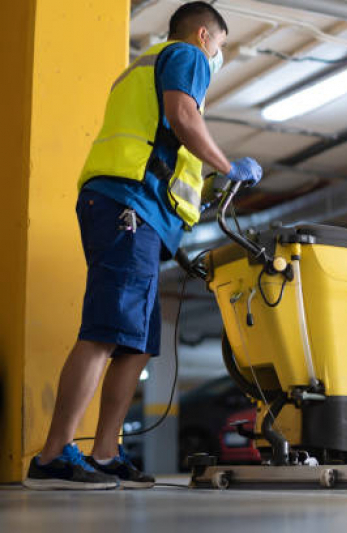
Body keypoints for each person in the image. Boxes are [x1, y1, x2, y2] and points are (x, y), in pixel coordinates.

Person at [23, 2, 262, 490]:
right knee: (106, 330)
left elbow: (164, 143)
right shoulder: (186, 55)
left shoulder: (144, 69)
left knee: (135, 343)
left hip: (138, 214)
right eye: (219, 47)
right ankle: (51, 458)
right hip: (126, 206)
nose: (216, 58)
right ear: (204, 36)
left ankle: (107, 453)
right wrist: (226, 164)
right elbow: (181, 116)